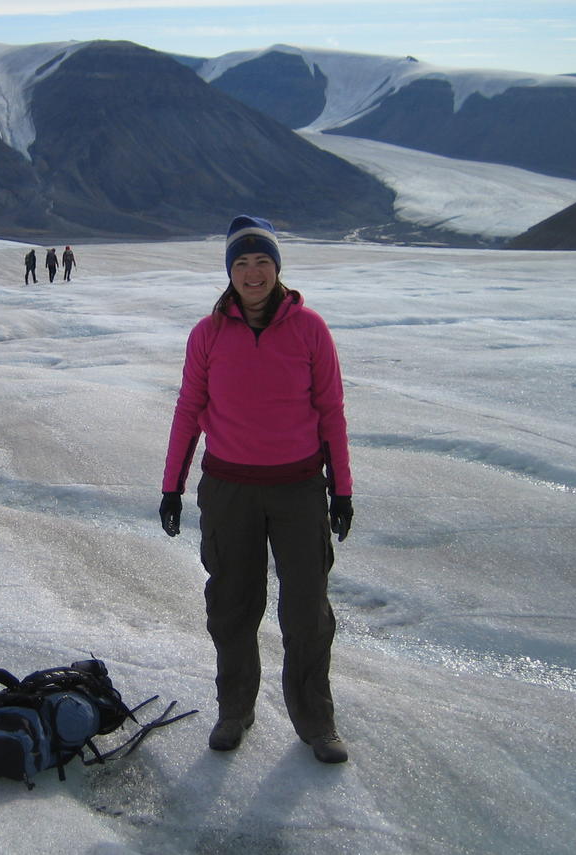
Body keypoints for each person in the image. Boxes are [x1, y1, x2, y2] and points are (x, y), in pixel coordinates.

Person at [158, 215, 355, 764]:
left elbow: (330, 411)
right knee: (231, 606)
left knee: (307, 611)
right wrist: (172, 486)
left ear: (276, 267)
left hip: (297, 490)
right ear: (229, 271)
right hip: (229, 490)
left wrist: (340, 487)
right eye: (241, 263)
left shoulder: (310, 328)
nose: (252, 272)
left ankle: (317, 722)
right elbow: (189, 410)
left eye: (261, 261)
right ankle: (234, 711)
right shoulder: (208, 334)